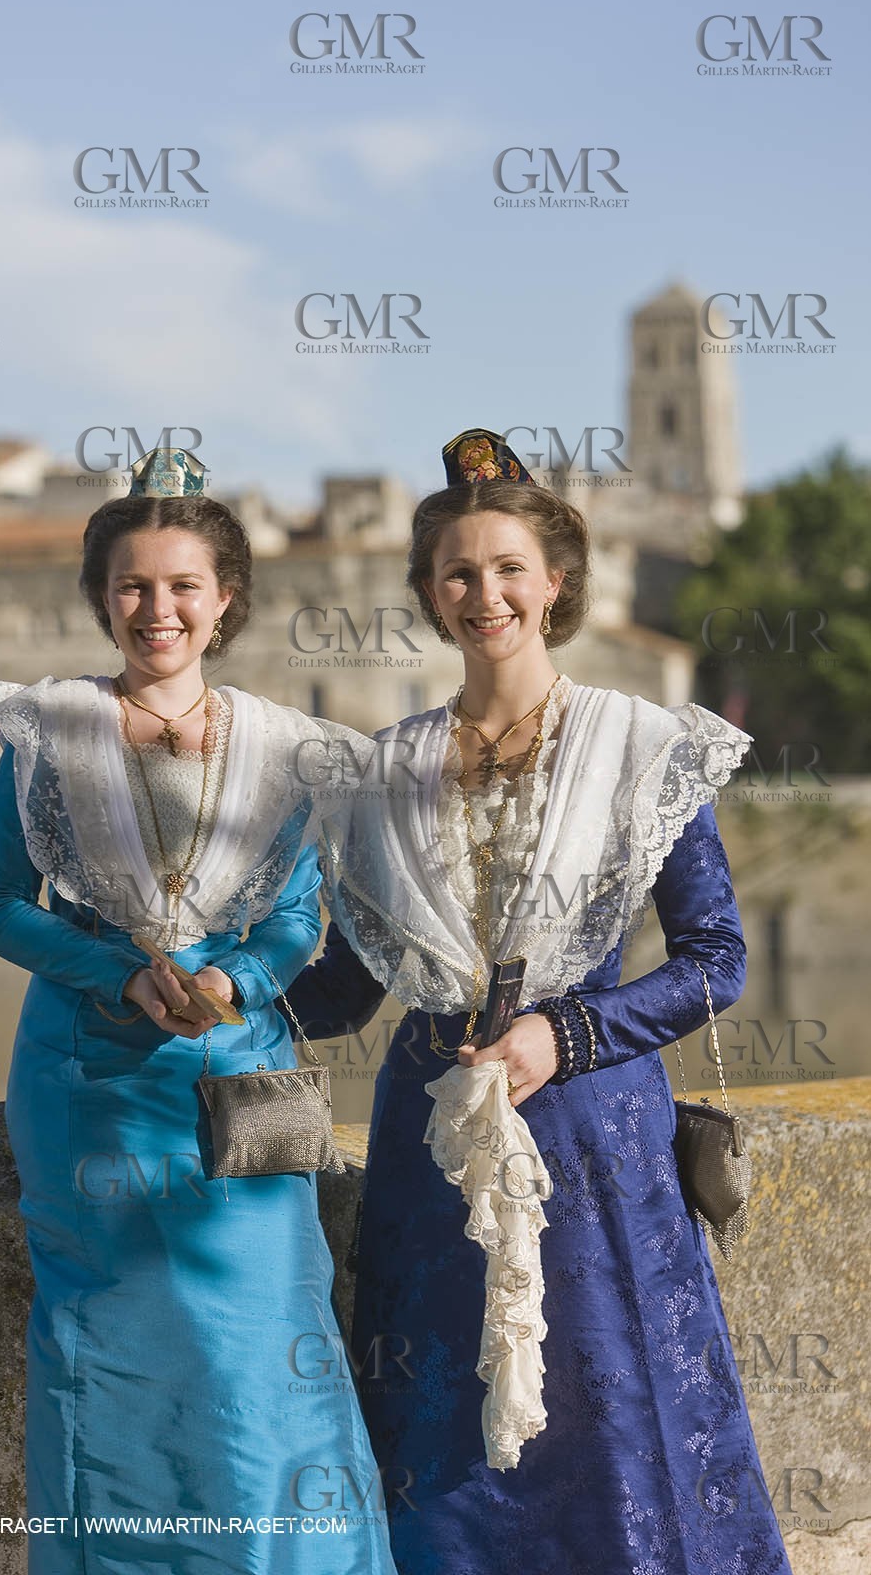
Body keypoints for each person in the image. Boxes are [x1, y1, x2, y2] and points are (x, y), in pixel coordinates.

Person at [290, 429, 793, 1575]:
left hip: (593, 1135)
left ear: (555, 580)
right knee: (443, 1429)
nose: (484, 594)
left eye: (508, 568)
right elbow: (349, 981)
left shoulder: (638, 745)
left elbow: (715, 958)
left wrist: (562, 1033)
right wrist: (210, 990)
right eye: (457, 572)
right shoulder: (382, 771)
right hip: (431, 1144)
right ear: (426, 591)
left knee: (602, 1416)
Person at [0, 447, 398, 1575]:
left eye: (181, 586)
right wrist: (114, 972)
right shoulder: (48, 732)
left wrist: (234, 982)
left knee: (263, 1344)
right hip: (88, 1085)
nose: (156, 608)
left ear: (225, 600)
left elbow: (300, 921)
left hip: (233, 1080)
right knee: (106, 1355)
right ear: (102, 596)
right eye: (132, 585)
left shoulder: (285, 748)